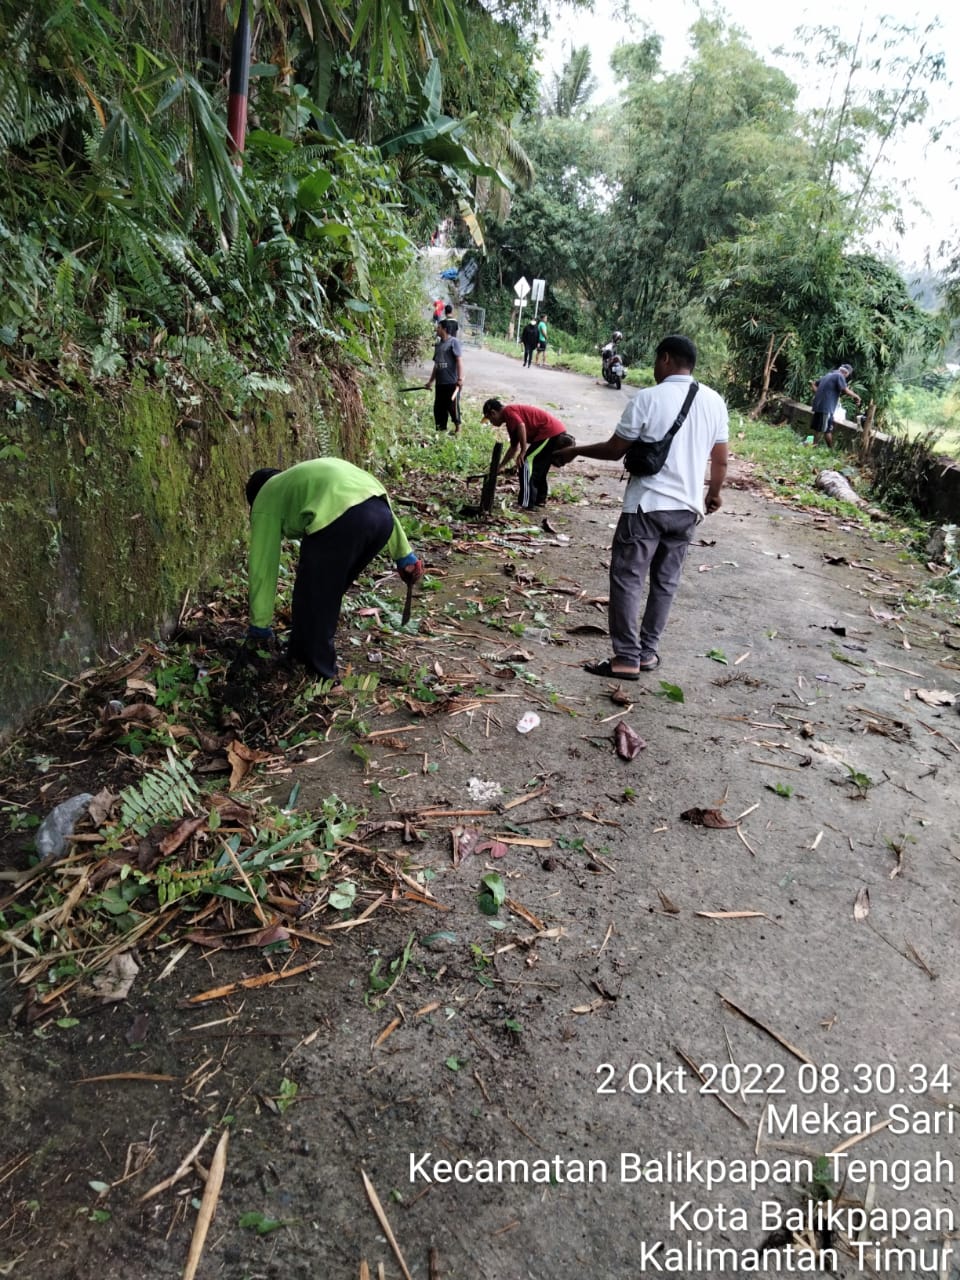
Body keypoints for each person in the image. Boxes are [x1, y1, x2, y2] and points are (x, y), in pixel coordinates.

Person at [554, 334, 728, 678]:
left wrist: (575, 451)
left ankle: (626, 658)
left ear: (665, 359)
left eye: (655, 361)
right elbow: (720, 459)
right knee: (665, 582)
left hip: (646, 506)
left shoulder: (648, 398)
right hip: (687, 511)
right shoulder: (714, 401)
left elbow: (615, 448)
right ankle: (647, 653)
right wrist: (714, 494)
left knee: (628, 579)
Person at [244, 460, 424, 680]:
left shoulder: (266, 496)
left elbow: (263, 566)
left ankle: (319, 672)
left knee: (315, 597)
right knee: (322, 594)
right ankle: (299, 653)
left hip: (341, 520)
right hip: (381, 518)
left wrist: (259, 627)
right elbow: (368, 501)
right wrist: (404, 555)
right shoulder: (300, 479)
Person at [481, 399, 576, 509]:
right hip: (552, 432)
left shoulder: (508, 411)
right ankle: (539, 500)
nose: (491, 423)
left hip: (549, 432)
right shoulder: (510, 422)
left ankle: (526, 503)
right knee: (539, 468)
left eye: (490, 419)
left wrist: (523, 451)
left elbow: (521, 425)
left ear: (493, 413)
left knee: (525, 463)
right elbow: (513, 447)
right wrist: (500, 466)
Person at [425, 317, 464, 432]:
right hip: (440, 383)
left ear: (444, 329)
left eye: (439, 327)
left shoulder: (453, 342)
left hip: (451, 382)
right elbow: (436, 365)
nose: (437, 329)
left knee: (452, 406)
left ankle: (458, 429)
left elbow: (459, 361)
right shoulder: (438, 345)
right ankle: (441, 429)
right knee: (439, 408)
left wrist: (460, 379)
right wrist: (430, 382)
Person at [810, 363, 862, 447]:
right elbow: (845, 390)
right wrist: (857, 396)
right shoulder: (839, 376)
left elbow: (813, 384)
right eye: (847, 376)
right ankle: (826, 449)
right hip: (826, 408)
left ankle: (812, 444)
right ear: (846, 373)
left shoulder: (828, 375)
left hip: (818, 405)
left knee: (817, 428)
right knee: (826, 430)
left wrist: (819, 394)